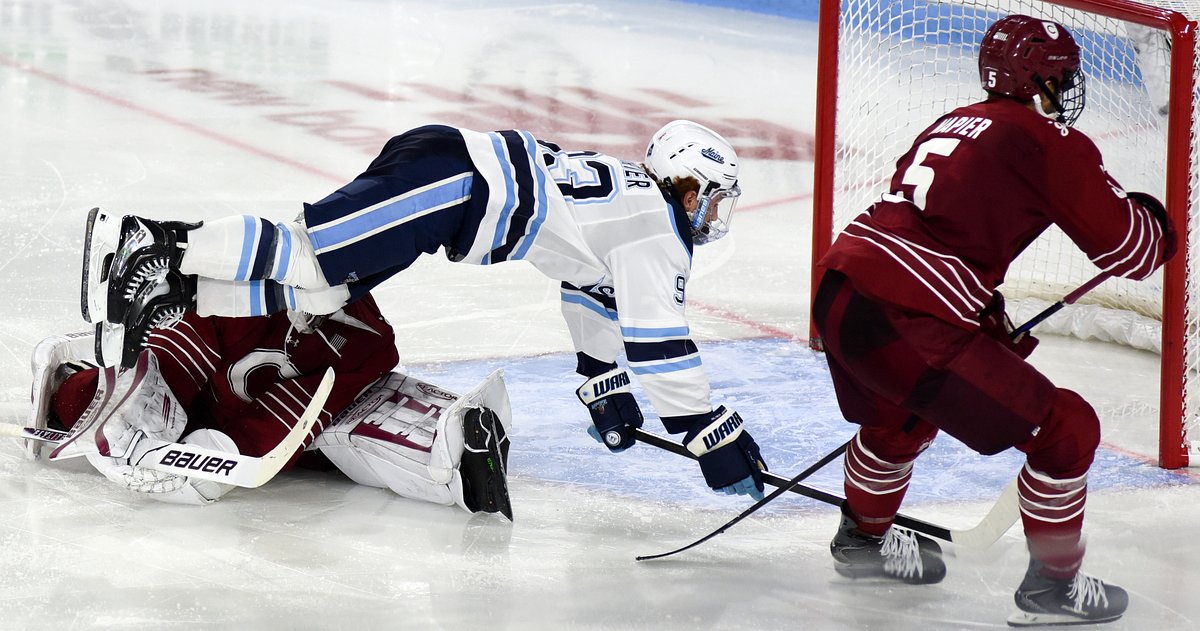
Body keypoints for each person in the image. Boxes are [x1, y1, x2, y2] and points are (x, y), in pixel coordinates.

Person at [80, 120, 769, 501]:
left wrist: (602, 383)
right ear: (686, 185)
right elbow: (661, 345)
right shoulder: (657, 228)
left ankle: (180, 297)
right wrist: (710, 431)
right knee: (313, 257)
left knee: (322, 290)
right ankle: (152, 243)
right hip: (454, 185)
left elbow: (590, 291)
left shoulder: (629, 212)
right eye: (712, 195)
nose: (713, 212)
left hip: (447, 172)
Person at [809, 14, 1174, 627]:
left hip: (841, 290)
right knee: (1067, 429)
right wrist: (1159, 218)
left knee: (900, 416)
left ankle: (862, 541)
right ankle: (1051, 592)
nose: (1069, 86)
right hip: (907, 312)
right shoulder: (1045, 140)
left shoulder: (954, 121)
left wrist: (980, 312)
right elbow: (1130, 252)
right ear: (1044, 78)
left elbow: (935, 233)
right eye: (1063, 76)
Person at [30, 294, 513, 518]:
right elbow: (173, 362)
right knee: (99, 400)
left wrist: (218, 455)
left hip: (298, 433)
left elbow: (295, 417)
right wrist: (140, 419)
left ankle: (459, 454)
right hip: (198, 402)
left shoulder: (367, 337)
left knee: (354, 434)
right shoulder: (242, 294)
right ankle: (77, 391)